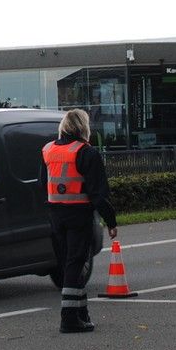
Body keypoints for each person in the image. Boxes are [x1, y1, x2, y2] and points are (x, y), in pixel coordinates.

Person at [41, 108, 118, 334]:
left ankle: (81, 312)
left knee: (69, 264)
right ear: (84, 128)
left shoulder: (48, 150)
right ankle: (69, 319)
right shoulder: (87, 153)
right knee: (76, 264)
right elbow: (99, 194)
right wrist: (111, 221)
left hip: (55, 215)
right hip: (79, 216)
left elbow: (42, 185)